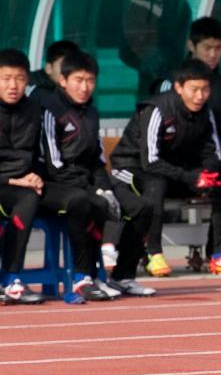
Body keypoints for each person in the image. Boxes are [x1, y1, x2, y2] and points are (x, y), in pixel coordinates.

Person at [110, 59, 221, 276]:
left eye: (205, 89)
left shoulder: (206, 111)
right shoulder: (156, 110)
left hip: (175, 173)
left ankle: (219, 254)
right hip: (132, 168)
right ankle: (153, 254)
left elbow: (213, 152)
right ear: (178, 87)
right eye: (194, 89)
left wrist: (206, 174)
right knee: (155, 184)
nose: (200, 96)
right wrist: (189, 177)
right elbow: (150, 161)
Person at [39, 51, 156, 298]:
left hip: (89, 182)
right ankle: (87, 276)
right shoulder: (51, 110)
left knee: (142, 207)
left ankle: (124, 275)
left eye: (90, 81)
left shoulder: (91, 113)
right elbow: (54, 165)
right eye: (78, 80)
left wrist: (105, 187)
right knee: (92, 203)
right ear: (63, 80)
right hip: (59, 184)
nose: (85, 87)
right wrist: (95, 191)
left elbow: (98, 159)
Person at [0, 49, 47, 304]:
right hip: (7, 181)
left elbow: (38, 153)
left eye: (19, 78)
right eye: (6, 78)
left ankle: (11, 277)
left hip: (19, 184)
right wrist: (11, 179)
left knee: (30, 198)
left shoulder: (33, 110)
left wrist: (36, 177)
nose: (13, 85)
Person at [120, 0, 192, 100]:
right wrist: (154, 66)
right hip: (152, 76)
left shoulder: (181, 4)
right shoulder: (141, 2)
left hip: (175, 74)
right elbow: (134, 40)